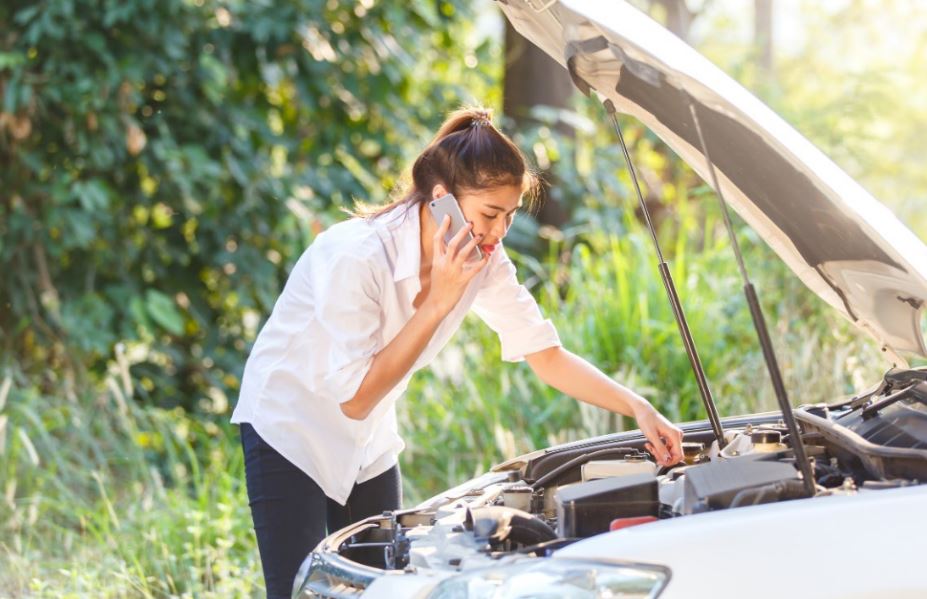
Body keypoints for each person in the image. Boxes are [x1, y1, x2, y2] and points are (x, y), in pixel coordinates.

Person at [231, 107, 684, 598]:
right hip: (290, 425)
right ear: (440, 198)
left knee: (385, 587)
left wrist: (638, 408)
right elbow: (354, 397)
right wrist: (438, 302)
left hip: (368, 440)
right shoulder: (355, 256)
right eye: (489, 214)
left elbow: (545, 354)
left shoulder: (483, 259)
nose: (499, 233)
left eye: (509, 216)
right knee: (299, 590)